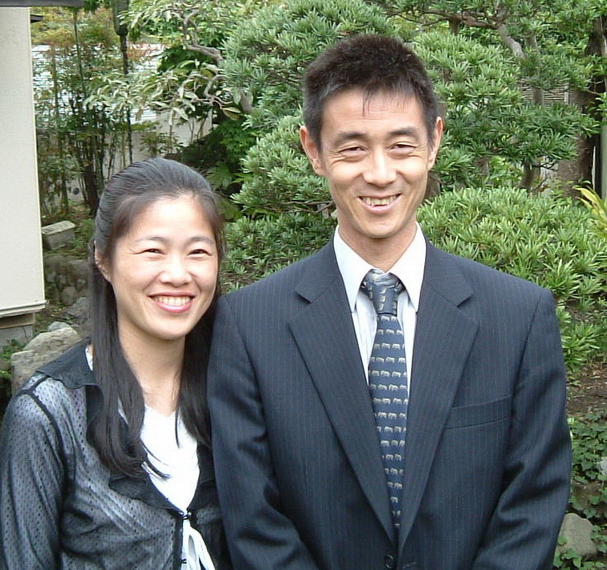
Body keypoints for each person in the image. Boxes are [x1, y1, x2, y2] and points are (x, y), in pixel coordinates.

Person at [207, 35, 571, 570]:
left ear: (434, 141)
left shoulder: (518, 316)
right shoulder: (249, 325)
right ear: (313, 150)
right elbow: (254, 517)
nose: (379, 174)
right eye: (353, 148)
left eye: (401, 146)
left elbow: (534, 499)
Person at [0, 157, 232, 570]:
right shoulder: (49, 413)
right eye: (153, 251)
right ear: (103, 259)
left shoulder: (237, 383)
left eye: (198, 252)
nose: (178, 274)